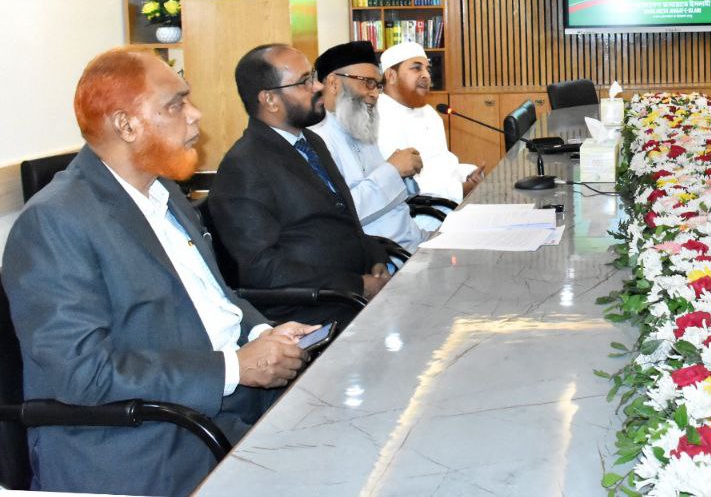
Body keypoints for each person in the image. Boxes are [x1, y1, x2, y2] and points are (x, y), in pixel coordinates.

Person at [2, 49, 315, 496]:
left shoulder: (163, 192)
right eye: (176, 104)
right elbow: (83, 373)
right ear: (126, 125)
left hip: (221, 409)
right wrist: (234, 367)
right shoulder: (54, 222)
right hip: (145, 441)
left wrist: (265, 332)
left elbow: (216, 298)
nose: (195, 115)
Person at [209, 44, 390, 327]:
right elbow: (260, 269)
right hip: (312, 312)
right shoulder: (244, 165)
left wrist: (375, 258)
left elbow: (341, 221)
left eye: (313, 77)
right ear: (270, 100)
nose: (318, 86)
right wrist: (357, 285)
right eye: (305, 81)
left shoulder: (310, 142)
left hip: (351, 297)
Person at [311, 41, 426, 256]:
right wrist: (392, 170)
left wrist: (404, 173)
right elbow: (340, 213)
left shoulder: (359, 126)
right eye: (368, 83)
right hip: (385, 257)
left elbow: (394, 196)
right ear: (334, 83)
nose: (375, 94)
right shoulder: (317, 141)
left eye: (378, 85)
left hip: (413, 240)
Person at [377, 41, 484, 227]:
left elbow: (442, 162)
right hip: (423, 217)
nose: (426, 75)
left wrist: (467, 174)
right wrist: (460, 189)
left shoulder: (428, 112)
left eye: (427, 68)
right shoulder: (380, 118)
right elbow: (406, 186)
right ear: (391, 76)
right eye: (416, 68)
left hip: (452, 203)